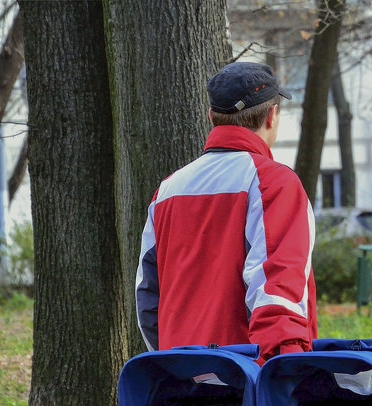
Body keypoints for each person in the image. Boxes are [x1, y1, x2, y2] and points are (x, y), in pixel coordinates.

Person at [135, 62, 317, 362]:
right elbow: (278, 292)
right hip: (245, 379)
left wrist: (173, 364)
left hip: (179, 377)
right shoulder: (274, 183)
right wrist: (284, 375)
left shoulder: (167, 190)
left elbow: (147, 300)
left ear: (212, 116)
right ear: (272, 116)